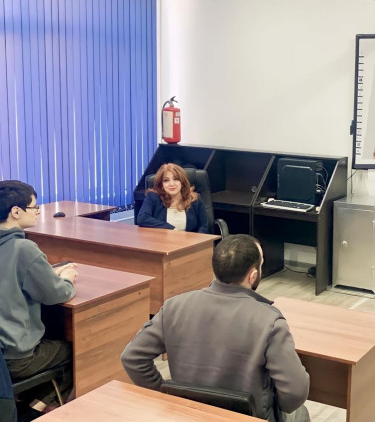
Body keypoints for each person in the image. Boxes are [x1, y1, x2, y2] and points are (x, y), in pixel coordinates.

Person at [121, 234, 310, 422]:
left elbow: (132, 357)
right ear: (253, 276)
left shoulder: (174, 306)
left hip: (188, 415)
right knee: (300, 413)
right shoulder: (270, 321)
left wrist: (165, 396)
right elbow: (296, 392)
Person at [0, 180, 77, 418]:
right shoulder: (24, 248)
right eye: (34, 207)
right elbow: (57, 294)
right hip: (16, 358)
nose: (38, 212)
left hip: (2, 357)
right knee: (78, 351)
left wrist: (46, 273)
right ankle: (34, 409)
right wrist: (67, 279)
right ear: (16, 212)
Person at [137, 163, 209, 233]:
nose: (171, 184)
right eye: (166, 180)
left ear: (182, 182)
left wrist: (198, 240)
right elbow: (142, 218)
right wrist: (170, 228)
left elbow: (204, 227)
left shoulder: (194, 199)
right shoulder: (153, 197)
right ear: (161, 185)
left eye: (176, 179)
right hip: (162, 240)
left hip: (191, 240)